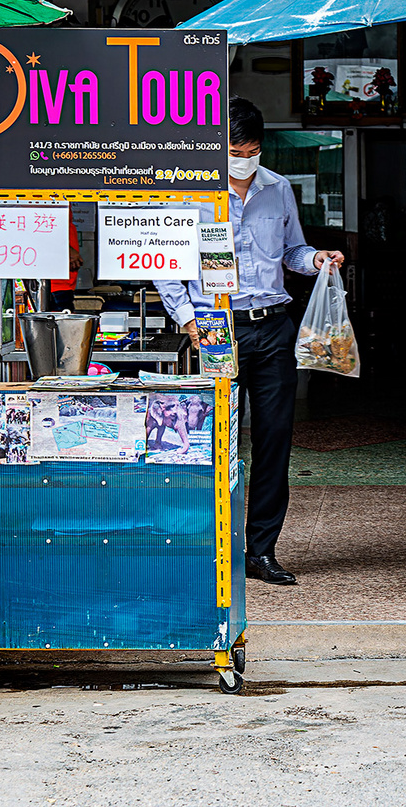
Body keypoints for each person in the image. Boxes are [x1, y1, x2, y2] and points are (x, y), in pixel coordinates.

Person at [154, 97, 344, 586]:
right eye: (235, 149)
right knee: (213, 438)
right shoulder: (189, 192)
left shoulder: (277, 188)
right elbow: (165, 264)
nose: (244, 158)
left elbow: (293, 251)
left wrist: (317, 259)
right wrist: (187, 319)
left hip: (273, 323)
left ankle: (260, 551)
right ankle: (208, 546)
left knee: (274, 439)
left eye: (252, 149)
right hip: (216, 325)